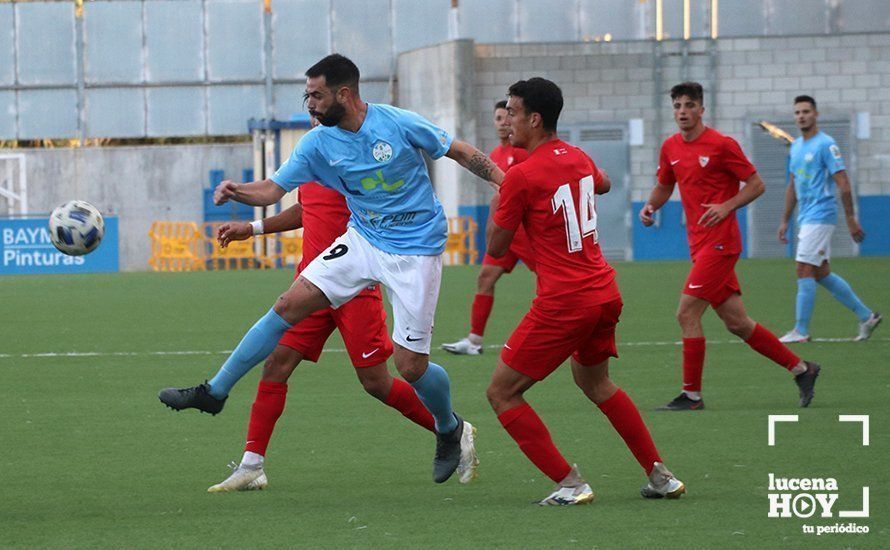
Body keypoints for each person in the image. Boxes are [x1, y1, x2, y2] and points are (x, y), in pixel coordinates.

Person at [159, 54, 503, 484]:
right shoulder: (317, 144)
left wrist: (507, 184)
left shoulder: (397, 123)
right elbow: (272, 189)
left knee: (409, 368)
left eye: (316, 95)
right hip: (362, 240)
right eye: (306, 95)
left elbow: (461, 151)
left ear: (344, 94)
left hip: (416, 250)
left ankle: (449, 428)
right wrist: (238, 192)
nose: (310, 104)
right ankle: (215, 392)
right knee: (287, 305)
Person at [486, 77, 685, 505]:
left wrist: (502, 193)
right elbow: (604, 183)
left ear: (535, 119)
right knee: (596, 384)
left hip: (564, 301)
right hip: (604, 293)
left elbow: (496, 247)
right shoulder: (577, 157)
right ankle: (660, 475)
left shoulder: (519, 177)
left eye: (514, 113)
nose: (508, 123)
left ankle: (570, 482)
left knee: (501, 393)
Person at [197, 177, 439, 492]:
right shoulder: (312, 153)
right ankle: (252, 465)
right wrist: (254, 228)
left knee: (376, 382)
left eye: (317, 120)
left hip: (355, 286)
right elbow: (307, 208)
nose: (315, 123)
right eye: (311, 121)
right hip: (310, 286)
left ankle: (450, 429)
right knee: (277, 363)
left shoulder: (352, 156)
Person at [639, 82, 822, 411]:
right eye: (677, 106)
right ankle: (802, 369)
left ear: (701, 110)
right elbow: (665, 185)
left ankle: (691, 396)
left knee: (687, 312)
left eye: (689, 105)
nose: (682, 111)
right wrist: (651, 206)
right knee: (737, 322)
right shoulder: (670, 147)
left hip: (721, 244)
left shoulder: (722, 145)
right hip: (698, 245)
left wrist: (727, 206)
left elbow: (757, 184)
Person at [777, 95, 881, 343]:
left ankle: (801, 331)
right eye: (797, 112)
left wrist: (851, 218)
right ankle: (866, 316)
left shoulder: (826, 145)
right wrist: (784, 220)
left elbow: (843, 184)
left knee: (803, 268)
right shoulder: (796, 147)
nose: (801, 116)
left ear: (816, 114)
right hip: (806, 216)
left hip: (821, 214)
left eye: (806, 111)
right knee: (821, 273)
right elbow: (792, 186)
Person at [442, 100, 534, 355]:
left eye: (508, 117)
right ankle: (474, 342)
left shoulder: (526, 151)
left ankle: (571, 331)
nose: (503, 123)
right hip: (506, 232)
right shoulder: (494, 156)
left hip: (527, 232)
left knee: (550, 282)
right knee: (485, 277)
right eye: (498, 118)